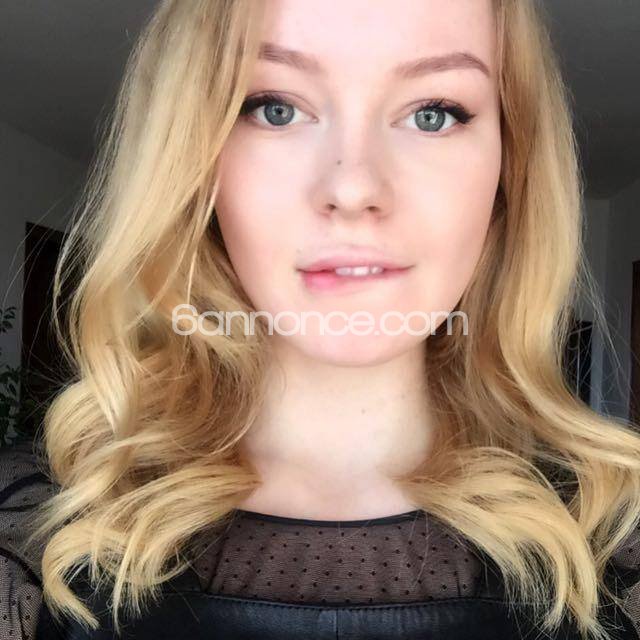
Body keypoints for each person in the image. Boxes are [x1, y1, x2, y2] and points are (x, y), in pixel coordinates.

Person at [1, 0, 639, 638]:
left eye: (433, 113)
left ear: (510, 164)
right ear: (192, 156)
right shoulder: (29, 545)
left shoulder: (616, 535)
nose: (354, 188)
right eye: (276, 108)